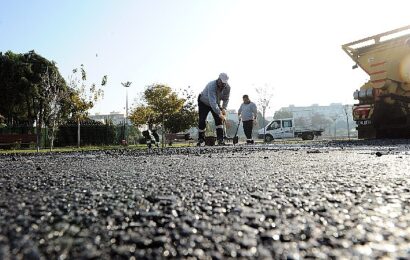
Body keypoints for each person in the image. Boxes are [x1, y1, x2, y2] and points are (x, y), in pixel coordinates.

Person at [197, 73, 231, 146]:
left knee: (219, 120)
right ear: (218, 79)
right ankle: (201, 139)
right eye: (221, 82)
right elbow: (212, 103)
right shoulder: (211, 85)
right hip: (204, 102)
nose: (222, 84)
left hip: (216, 102)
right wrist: (220, 114)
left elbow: (226, 99)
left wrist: (224, 108)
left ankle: (220, 139)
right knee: (202, 120)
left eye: (224, 83)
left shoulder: (227, 87)